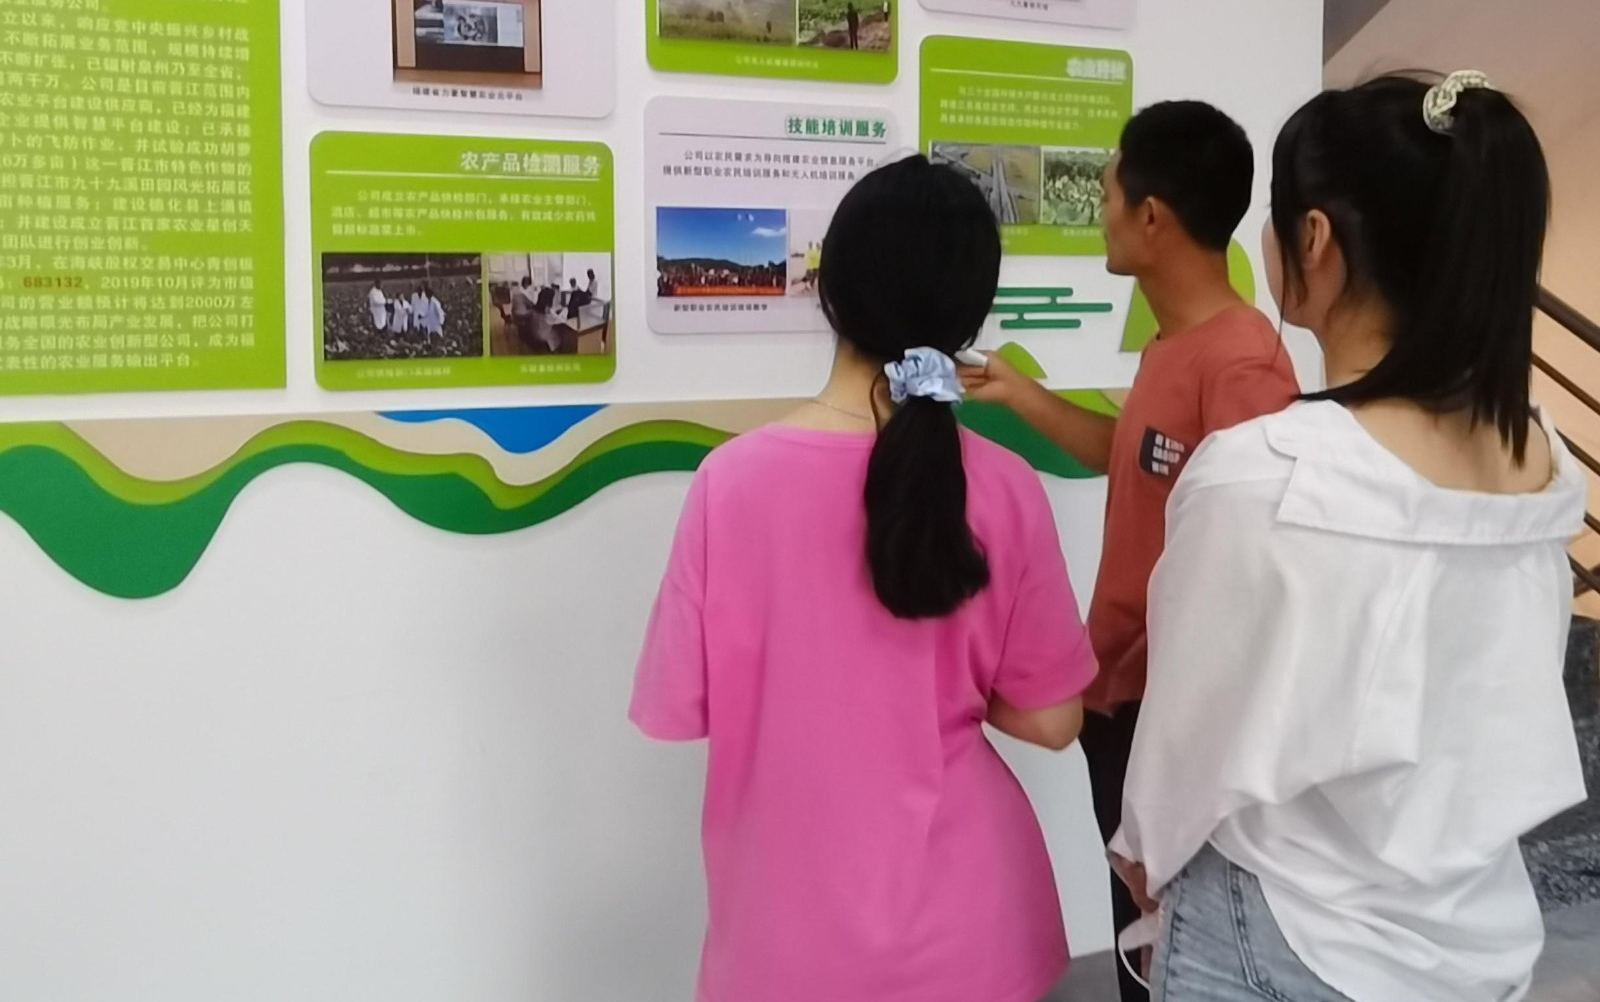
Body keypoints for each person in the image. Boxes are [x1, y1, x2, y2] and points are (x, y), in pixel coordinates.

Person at [1110, 73, 1588, 1002]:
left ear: (1315, 241)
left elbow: (1188, 730)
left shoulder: (1266, 472)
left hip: (1286, 928)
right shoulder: (1540, 454)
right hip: (1473, 934)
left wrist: (1143, 849)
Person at [631, 154, 1099, 1002]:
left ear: (829, 291)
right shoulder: (1003, 485)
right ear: (969, 317)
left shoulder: (730, 484)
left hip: (781, 944)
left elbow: (681, 706)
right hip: (975, 934)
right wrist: (954, 683)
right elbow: (1053, 719)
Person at [960, 101, 1299, 1002]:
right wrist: (1020, 395)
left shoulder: (1244, 367)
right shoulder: (1174, 347)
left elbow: (1252, 566)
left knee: (1171, 947)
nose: (1101, 213)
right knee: (1137, 941)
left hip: (1170, 713)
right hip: (1118, 698)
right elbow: (1138, 461)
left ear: (1151, 216)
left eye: (1109, 193)